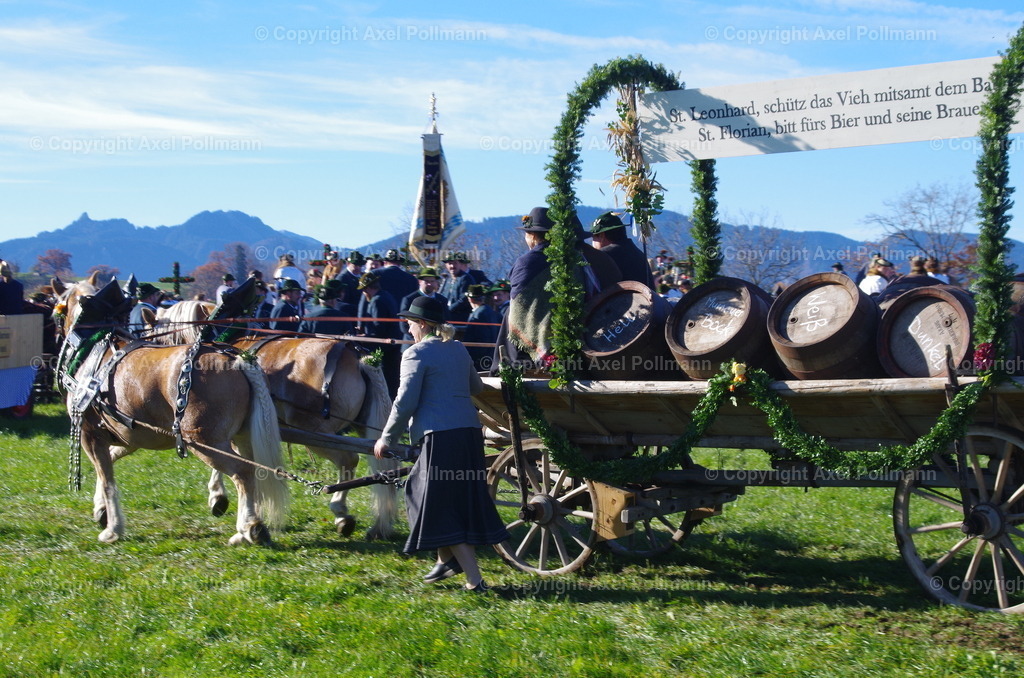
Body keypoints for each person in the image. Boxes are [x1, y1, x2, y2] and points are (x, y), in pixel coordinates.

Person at [373, 295, 509, 591]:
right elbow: (476, 387)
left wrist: (387, 437)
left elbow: (405, 401)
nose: (408, 329)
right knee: (437, 496)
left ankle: (473, 580)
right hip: (469, 434)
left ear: (422, 324)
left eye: (409, 322)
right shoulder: (458, 348)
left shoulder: (416, 354)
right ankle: (444, 559)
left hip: (440, 436)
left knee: (436, 502)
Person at [356, 271, 402, 399]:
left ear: (368, 288)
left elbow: (378, 330)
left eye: (364, 290)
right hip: (392, 348)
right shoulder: (386, 296)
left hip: (384, 350)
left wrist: (362, 337)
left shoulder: (376, 301)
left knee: (385, 384)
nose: (363, 294)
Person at [587, 211, 654, 286]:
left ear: (602, 236)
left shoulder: (603, 255)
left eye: (593, 237)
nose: (592, 242)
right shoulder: (639, 253)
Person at [399, 267, 448, 345]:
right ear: (419, 282)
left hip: (435, 344)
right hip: (412, 343)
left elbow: (445, 321)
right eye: (427, 281)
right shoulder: (409, 299)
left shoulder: (442, 300)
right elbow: (404, 325)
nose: (430, 284)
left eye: (432, 281)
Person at [462, 284, 501, 372]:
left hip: (479, 361)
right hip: (491, 358)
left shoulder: (478, 315)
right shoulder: (492, 312)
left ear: (470, 299)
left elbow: (481, 341)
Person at [439, 252, 477, 325]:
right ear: (446, 265)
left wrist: (449, 309)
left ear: (460, 264)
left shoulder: (466, 278)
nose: (452, 266)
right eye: (450, 263)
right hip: (446, 317)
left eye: (455, 263)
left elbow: (464, 298)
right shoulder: (447, 280)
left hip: (461, 318)